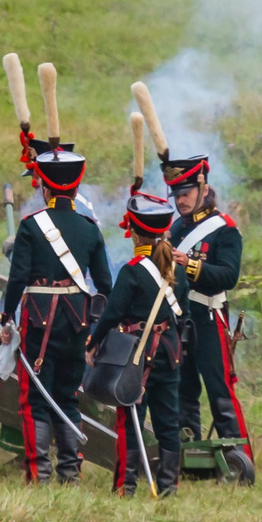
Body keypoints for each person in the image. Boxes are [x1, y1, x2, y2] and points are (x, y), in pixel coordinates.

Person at [0, 134, 112, 483]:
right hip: (77, 319)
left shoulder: (32, 227)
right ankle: (70, 473)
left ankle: (39, 472)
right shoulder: (91, 230)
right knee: (67, 395)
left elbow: (18, 279)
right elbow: (104, 287)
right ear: (75, 188)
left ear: (44, 187)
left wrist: (5, 316)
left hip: (40, 318)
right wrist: (94, 330)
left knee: (35, 398)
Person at [163, 143, 254, 483]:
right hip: (180, 318)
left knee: (220, 390)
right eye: (176, 193)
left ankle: (240, 459)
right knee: (183, 390)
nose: (180, 199)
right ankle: (193, 457)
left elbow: (228, 276)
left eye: (185, 192)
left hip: (208, 318)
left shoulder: (224, 229)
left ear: (202, 188)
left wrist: (191, 266)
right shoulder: (175, 229)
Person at [85, 185, 185, 494]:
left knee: (130, 421)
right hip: (169, 353)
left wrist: (93, 342)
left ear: (136, 234)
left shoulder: (131, 271)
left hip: (137, 356)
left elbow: (112, 313)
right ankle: (168, 486)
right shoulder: (175, 271)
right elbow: (186, 316)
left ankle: (125, 486)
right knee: (168, 420)